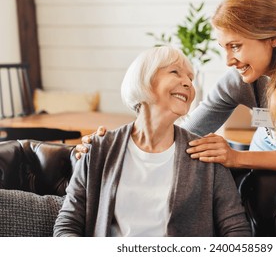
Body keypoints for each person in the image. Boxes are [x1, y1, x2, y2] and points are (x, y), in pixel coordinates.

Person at [76, 0, 276, 171]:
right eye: (224, 47)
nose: (229, 61)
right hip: (267, 148)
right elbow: (184, 134)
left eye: (236, 45)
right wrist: (109, 144)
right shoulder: (238, 80)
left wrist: (235, 156)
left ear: (271, 37)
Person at [53, 46, 251, 237]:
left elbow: (236, 231)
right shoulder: (99, 149)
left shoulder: (205, 155)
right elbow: (67, 225)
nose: (188, 83)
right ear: (144, 79)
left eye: (190, 78)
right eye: (175, 72)